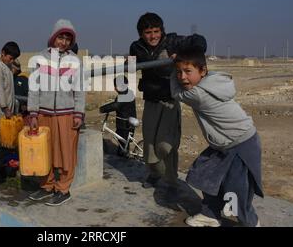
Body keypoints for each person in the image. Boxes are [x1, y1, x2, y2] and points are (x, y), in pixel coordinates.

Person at [170, 50, 263, 227]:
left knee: (236, 192)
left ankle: (251, 223)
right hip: (225, 144)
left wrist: (170, 68)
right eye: (178, 72)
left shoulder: (198, 94)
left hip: (241, 144)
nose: (182, 77)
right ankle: (210, 214)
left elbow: (176, 93)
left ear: (202, 71)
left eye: (188, 71)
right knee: (204, 174)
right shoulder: (213, 81)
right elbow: (193, 76)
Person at [129, 12, 207, 189]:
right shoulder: (136, 47)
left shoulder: (172, 41)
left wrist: (180, 54)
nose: (153, 36)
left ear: (162, 31)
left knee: (165, 146)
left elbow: (200, 41)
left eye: (156, 31)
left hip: (170, 101)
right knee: (149, 145)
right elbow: (132, 66)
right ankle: (155, 174)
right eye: (148, 32)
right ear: (141, 34)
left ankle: (171, 180)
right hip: (150, 101)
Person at [27, 19, 85, 206]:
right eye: (61, 36)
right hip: (44, 114)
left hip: (67, 114)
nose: (64, 42)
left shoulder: (74, 61)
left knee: (67, 153)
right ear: (53, 37)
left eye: (68, 38)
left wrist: (78, 114)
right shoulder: (40, 59)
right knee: (45, 151)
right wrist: (33, 113)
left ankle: (63, 189)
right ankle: (47, 186)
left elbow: (80, 90)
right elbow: (34, 89)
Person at [0, 41, 21, 144]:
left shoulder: (7, 66)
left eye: (13, 59)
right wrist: (5, 108)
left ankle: (5, 156)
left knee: (7, 132)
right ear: (3, 53)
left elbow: (16, 72)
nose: (11, 61)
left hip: (7, 106)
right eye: (10, 58)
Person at [99, 75, 137, 156]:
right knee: (123, 140)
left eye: (115, 86)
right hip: (128, 121)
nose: (114, 88)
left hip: (124, 123)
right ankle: (123, 153)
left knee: (122, 138)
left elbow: (115, 105)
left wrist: (102, 109)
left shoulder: (124, 97)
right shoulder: (129, 93)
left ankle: (124, 154)